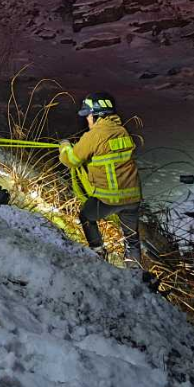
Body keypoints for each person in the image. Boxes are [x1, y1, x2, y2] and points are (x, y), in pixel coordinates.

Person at [59, 93, 142, 265]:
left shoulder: (95, 135)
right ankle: (136, 272)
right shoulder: (122, 131)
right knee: (132, 239)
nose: (87, 120)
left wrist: (65, 146)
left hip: (109, 199)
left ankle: (98, 253)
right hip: (133, 198)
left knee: (86, 216)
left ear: (97, 114)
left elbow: (71, 160)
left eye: (88, 115)